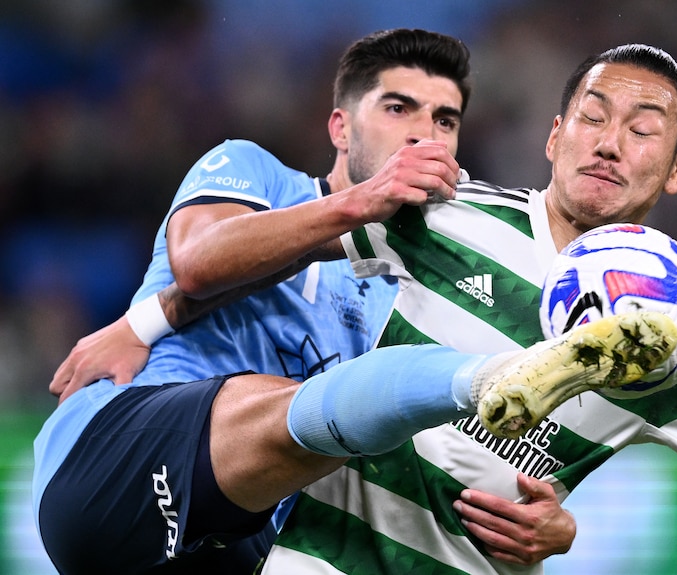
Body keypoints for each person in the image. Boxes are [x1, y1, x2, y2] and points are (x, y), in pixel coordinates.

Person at [49, 44, 677, 574]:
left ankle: (501, 376)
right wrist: (143, 321)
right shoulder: (444, 217)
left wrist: (561, 530)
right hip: (316, 556)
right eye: (592, 117)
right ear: (554, 137)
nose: (611, 142)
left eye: (644, 129)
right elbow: (261, 254)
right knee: (300, 405)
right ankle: (492, 376)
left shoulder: (676, 338)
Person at [35, 28, 579, 574]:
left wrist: (547, 518)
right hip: (119, 459)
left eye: (445, 120)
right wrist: (364, 202)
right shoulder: (256, 172)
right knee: (306, 399)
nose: (423, 135)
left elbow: (438, 442)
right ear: (341, 128)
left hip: (245, 536)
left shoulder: (425, 283)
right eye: (398, 108)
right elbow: (199, 262)